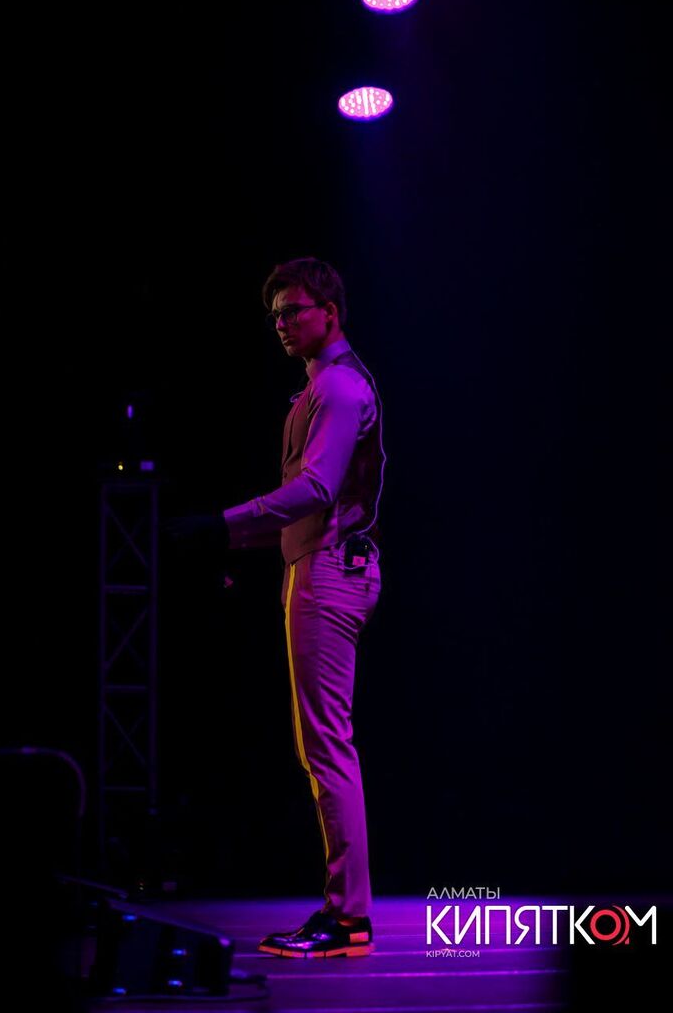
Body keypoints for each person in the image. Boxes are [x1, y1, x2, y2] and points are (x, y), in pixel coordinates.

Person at [165, 256, 385, 958]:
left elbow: (317, 492)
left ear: (330, 312)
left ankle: (347, 918)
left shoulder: (339, 387)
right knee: (321, 744)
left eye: (294, 310)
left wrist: (223, 525)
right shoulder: (320, 387)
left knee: (326, 746)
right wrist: (233, 539)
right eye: (276, 315)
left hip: (331, 570)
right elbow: (308, 504)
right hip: (321, 566)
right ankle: (345, 913)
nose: (282, 323)